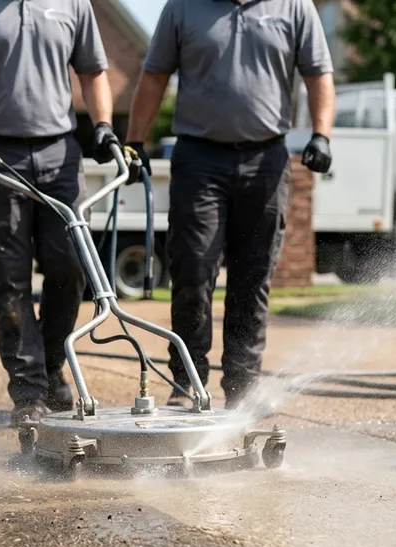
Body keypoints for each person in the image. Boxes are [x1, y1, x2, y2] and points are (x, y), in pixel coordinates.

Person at [0, 0, 124, 426]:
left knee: (70, 266)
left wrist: (102, 124)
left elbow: (93, 71)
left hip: (60, 153)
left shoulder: (73, 4)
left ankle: (52, 369)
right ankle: (29, 392)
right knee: (8, 277)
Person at [125, 0, 336, 411]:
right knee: (192, 267)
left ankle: (242, 386)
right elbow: (154, 75)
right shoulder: (183, 7)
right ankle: (187, 380)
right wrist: (135, 141)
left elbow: (318, 75)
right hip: (199, 159)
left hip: (266, 159)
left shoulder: (294, 7)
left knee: (253, 277)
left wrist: (321, 134)